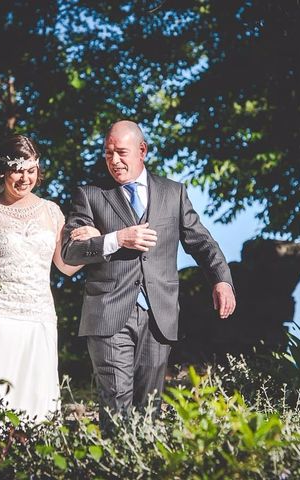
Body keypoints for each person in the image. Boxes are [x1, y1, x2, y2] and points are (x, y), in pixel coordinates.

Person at [61, 120, 236, 425]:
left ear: (142, 150)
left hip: (159, 316)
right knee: (116, 406)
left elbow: (202, 242)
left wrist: (221, 279)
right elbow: (70, 252)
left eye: (121, 152)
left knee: (149, 411)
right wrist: (116, 239)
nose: (114, 161)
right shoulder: (90, 195)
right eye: (108, 154)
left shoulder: (173, 193)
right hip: (109, 314)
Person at [0, 135, 97, 421]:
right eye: (18, 170)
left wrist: (97, 245)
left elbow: (65, 266)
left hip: (38, 315)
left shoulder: (52, 212)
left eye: (31, 171)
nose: (24, 178)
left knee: (35, 408)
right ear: (2, 172)